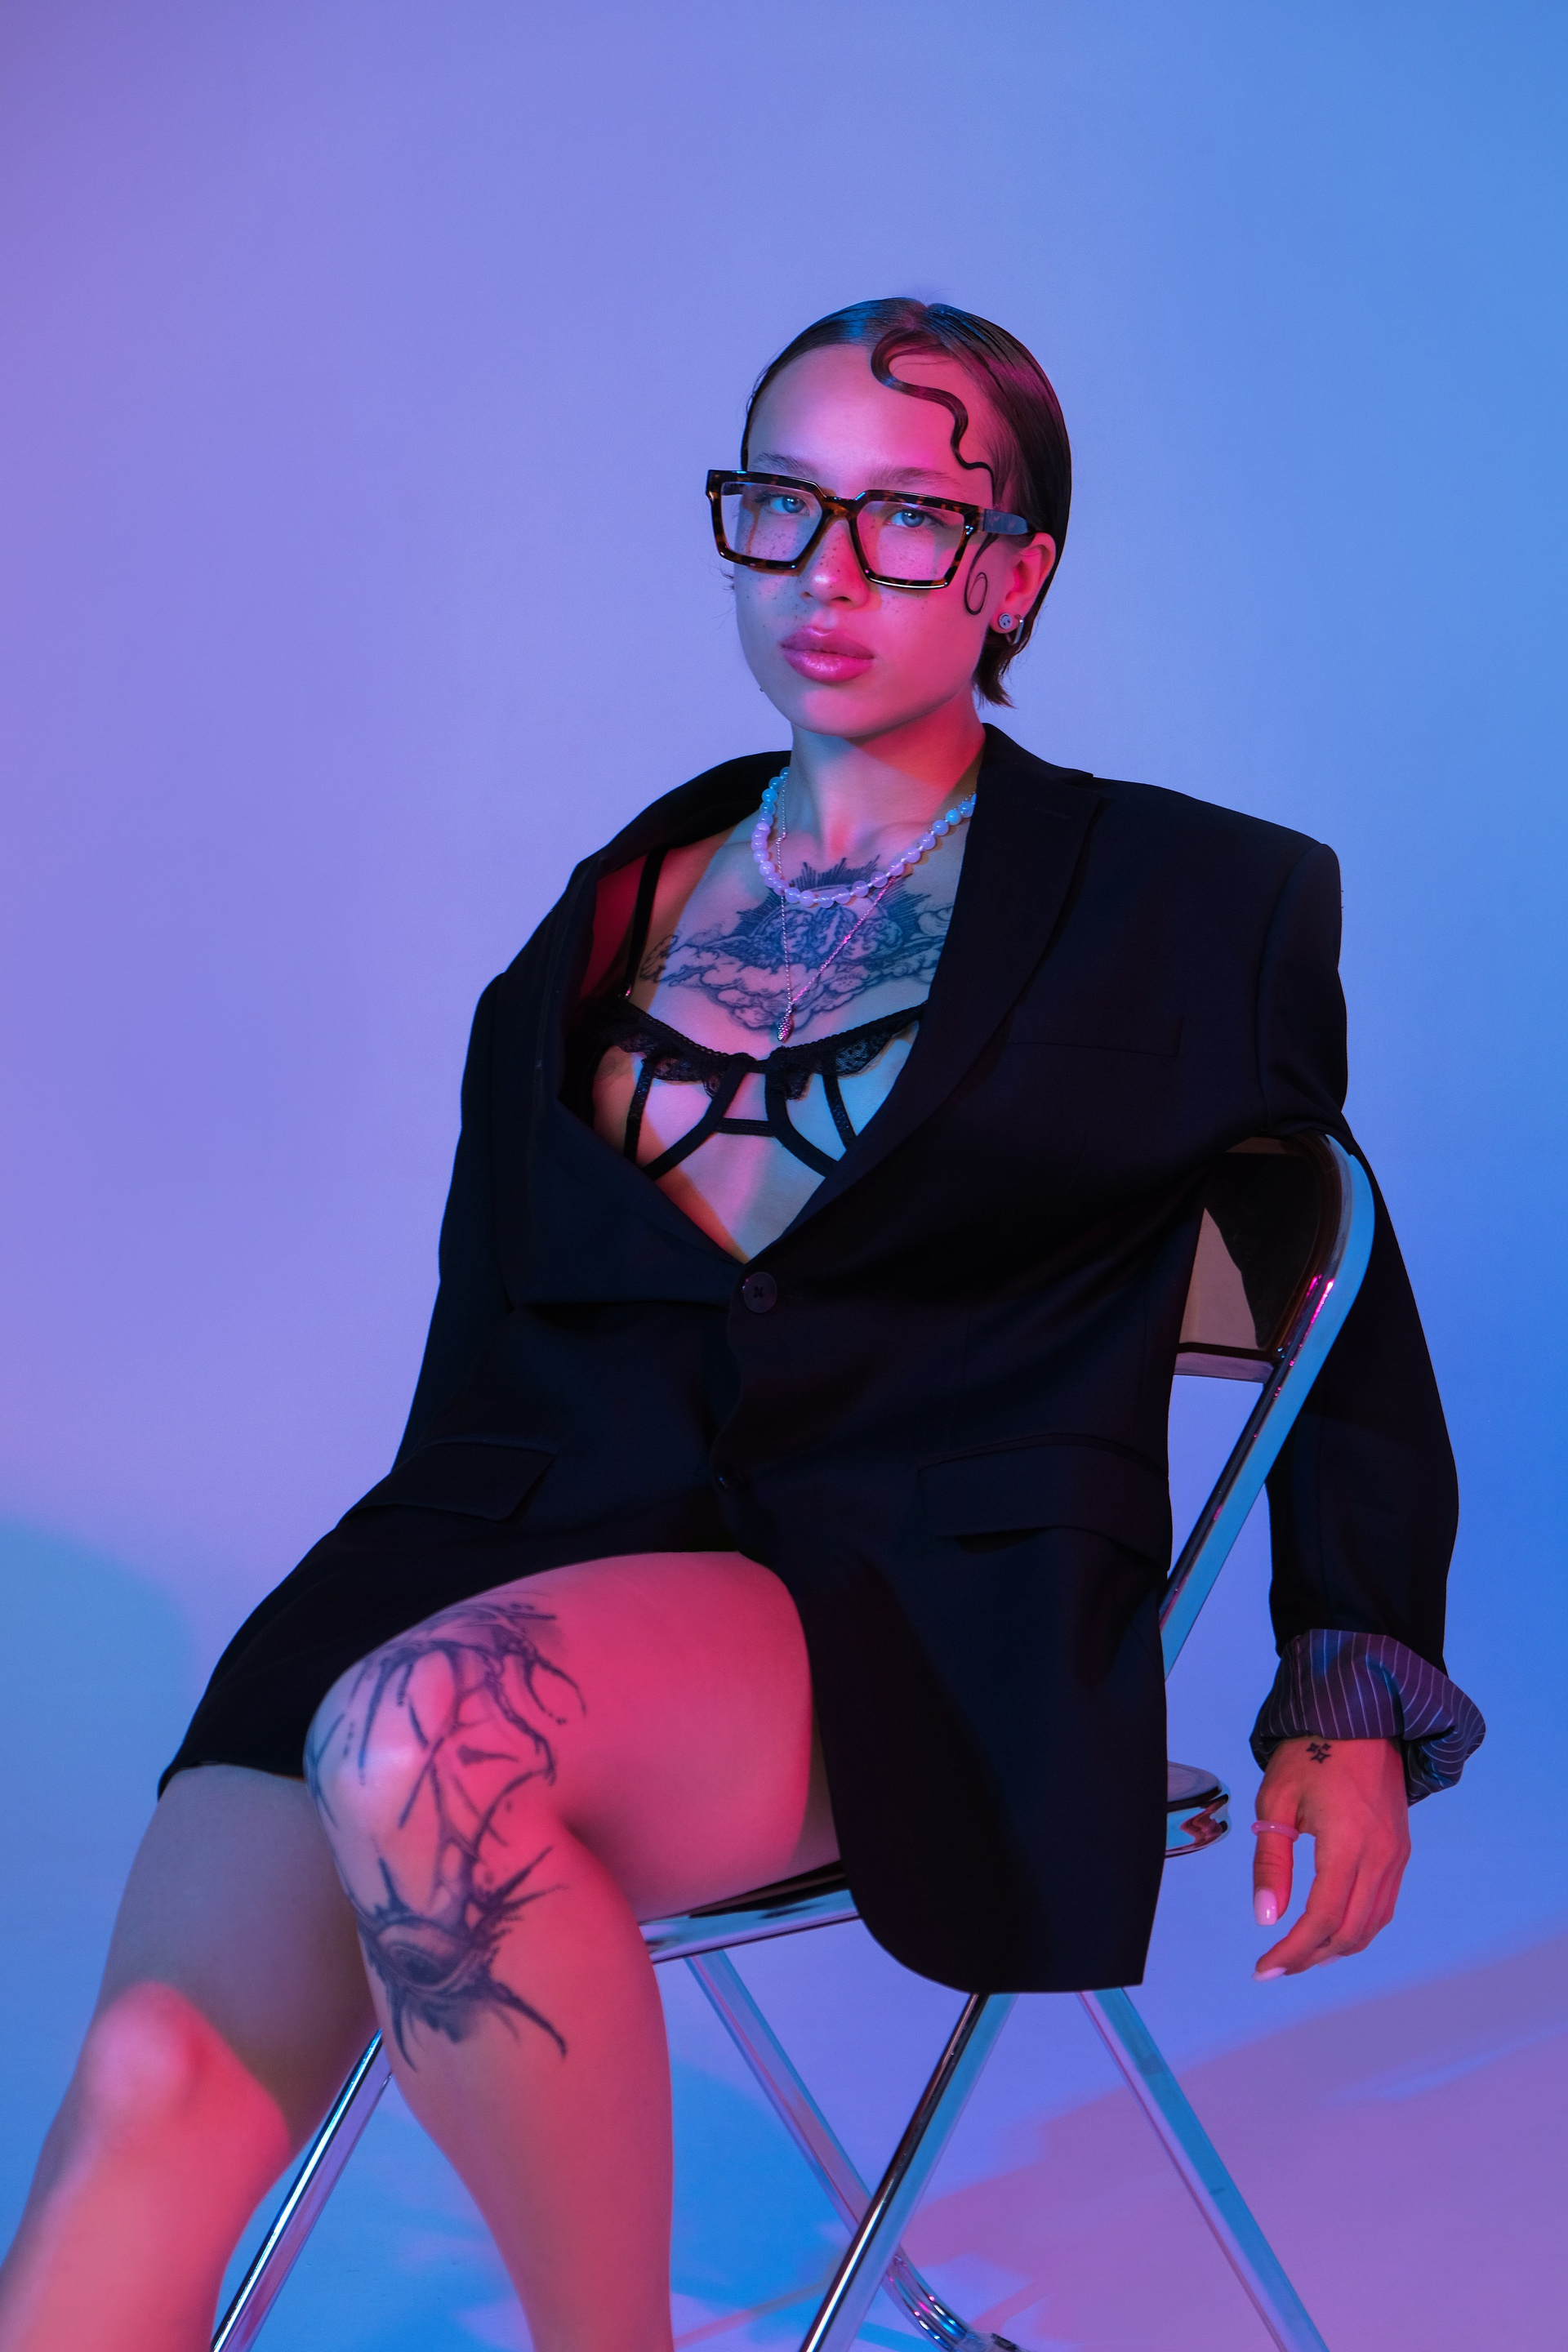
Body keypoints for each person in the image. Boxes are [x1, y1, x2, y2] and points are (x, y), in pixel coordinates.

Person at [0, 298, 1482, 2352]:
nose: (825, 571)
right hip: (491, 1549)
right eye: (782, 504)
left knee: (426, 1740)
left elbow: (1341, 1284)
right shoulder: (609, 909)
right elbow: (487, 1335)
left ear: (1014, 574)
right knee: (154, 2071)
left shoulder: (1193, 901)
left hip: (887, 1605)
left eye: (905, 517)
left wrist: (1348, 1685)